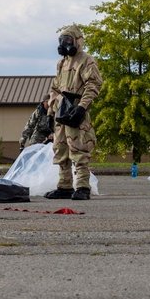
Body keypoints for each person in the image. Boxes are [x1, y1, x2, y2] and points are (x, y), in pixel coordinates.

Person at [44, 26, 103, 201]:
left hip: (76, 111)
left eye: (68, 41)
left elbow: (94, 85)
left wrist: (82, 107)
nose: (64, 44)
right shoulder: (62, 63)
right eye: (62, 41)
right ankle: (64, 186)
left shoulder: (86, 61)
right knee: (60, 149)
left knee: (79, 149)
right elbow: (55, 89)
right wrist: (50, 112)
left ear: (77, 41)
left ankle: (83, 187)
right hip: (62, 112)